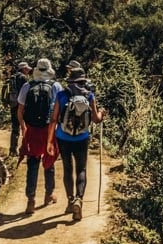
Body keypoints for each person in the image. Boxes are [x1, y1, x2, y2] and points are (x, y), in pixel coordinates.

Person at [52, 60, 106, 222]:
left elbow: (54, 118)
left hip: (63, 137)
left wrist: (49, 140)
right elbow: (96, 119)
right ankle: (79, 199)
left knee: (67, 169)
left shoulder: (62, 95)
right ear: (83, 80)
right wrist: (102, 113)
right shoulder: (89, 96)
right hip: (82, 138)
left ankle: (70, 200)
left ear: (70, 81)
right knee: (81, 169)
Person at [17, 57, 60, 214]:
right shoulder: (55, 86)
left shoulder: (27, 86)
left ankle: (31, 200)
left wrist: (23, 127)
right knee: (49, 162)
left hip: (32, 130)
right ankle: (49, 194)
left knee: (32, 163)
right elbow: (61, 110)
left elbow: (20, 111)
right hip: (49, 130)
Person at [6, 60, 30, 156]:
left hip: (13, 104)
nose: (28, 70)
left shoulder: (13, 77)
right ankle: (26, 149)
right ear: (23, 69)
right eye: (27, 69)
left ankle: (12, 150)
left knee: (15, 127)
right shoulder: (23, 78)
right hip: (22, 105)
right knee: (26, 126)